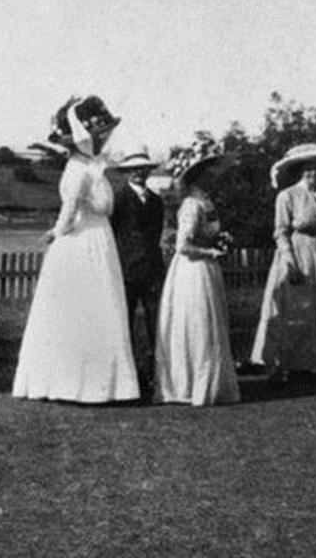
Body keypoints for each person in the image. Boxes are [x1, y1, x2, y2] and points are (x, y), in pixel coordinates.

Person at [12, 96, 141, 404]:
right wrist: (57, 232)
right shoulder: (79, 170)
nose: (102, 138)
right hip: (84, 239)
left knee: (97, 304)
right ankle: (73, 381)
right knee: (84, 305)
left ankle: (97, 383)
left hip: (95, 236)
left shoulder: (89, 166)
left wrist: (64, 226)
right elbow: (70, 210)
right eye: (97, 134)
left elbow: (98, 206)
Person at [249, 143, 316, 384]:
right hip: (298, 253)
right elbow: (280, 232)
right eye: (307, 171)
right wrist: (290, 261)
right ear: (299, 173)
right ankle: (286, 364)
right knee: (294, 307)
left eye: (315, 171)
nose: (312, 175)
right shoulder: (288, 195)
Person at [155, 139, 241, 406]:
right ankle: (193, 385)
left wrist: (221, 238)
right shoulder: (192, 205)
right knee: (198, 323)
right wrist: (210, 252)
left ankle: (208, 384)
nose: (213, 178)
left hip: (206, 270)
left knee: (210, 322)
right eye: (208, 173)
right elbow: (182, 246)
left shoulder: (205, 202)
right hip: (193, 271)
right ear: (197, 176)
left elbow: (206, 233)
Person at [109, 150, 167, 392]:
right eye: (134, 168)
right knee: (126, 322)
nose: (139, 172)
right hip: (126, 269)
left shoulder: (157, 201)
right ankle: (130, 379)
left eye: (144, 168)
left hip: (153, 269)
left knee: (157, 322)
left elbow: (156, 234)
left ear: (149, 170)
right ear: (126, 172)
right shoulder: (118, 199)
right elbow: (112, 234)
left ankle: (156, 374)